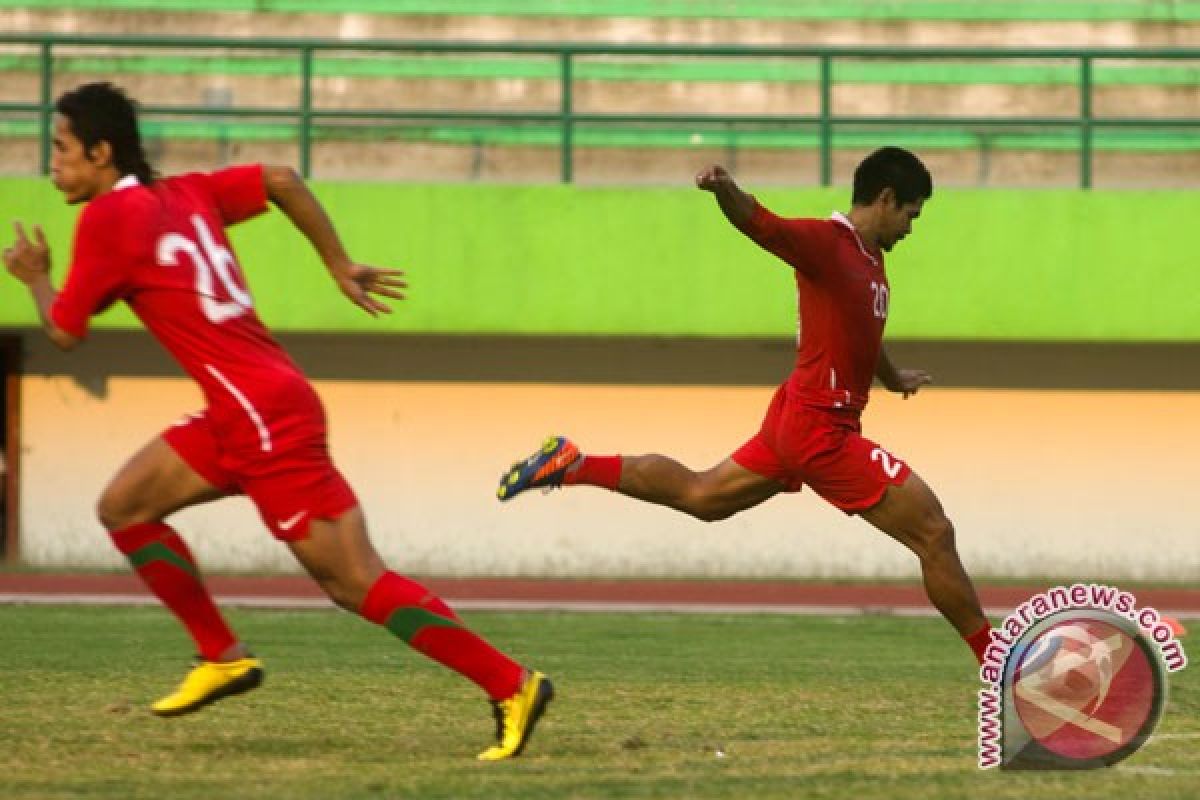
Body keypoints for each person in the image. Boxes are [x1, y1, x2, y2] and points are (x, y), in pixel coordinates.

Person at [2, 82, 551, 761]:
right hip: (244, 410)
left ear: (102, 152)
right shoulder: (186, 193)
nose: (51, 163)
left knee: (354, 582)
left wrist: (33, 277)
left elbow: (63, 332)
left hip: (261, 420)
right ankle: (221, 654)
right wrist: (337, 264)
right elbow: (282, 179)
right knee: (125, 506)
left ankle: (511, 683)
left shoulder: (108, 222)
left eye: (60, 149)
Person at [498, 147, 995, 665]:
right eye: (911, 215)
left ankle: (572, 464)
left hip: (795, 417)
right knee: (933, 532)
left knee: (702, 495)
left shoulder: (872, 260)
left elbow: (860, 330)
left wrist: (892, 377)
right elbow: (763, 225)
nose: (912, 229)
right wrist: (724, 189)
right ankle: (997, 661)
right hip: (820, 429)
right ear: (886, 198)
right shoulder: (828, 243)